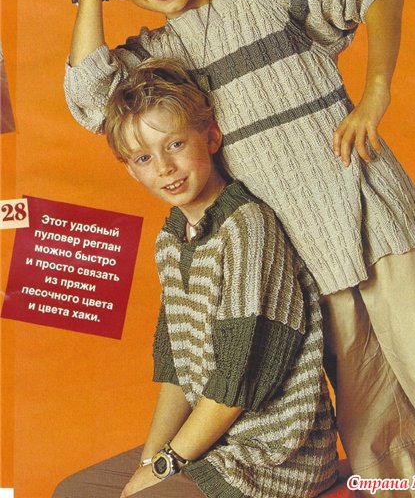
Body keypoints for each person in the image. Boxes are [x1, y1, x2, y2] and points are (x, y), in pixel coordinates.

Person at [65, 0, 415, 490]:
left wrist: (376, 93)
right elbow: (89, 99)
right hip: (307, 254)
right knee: (372, 422)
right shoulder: (157, 58)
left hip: (373, 213)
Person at [53, 58, 338, 498]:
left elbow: (240, 378)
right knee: (73, 492)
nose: (164, 167)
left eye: (175, 144)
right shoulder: (171, 240)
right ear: (130, 169)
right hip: (210, 446)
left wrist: (167, 465)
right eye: (144, 157)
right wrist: (150, 462)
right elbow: (176, 368)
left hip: (275, 457)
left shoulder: (247, 226)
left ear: (211, 137)